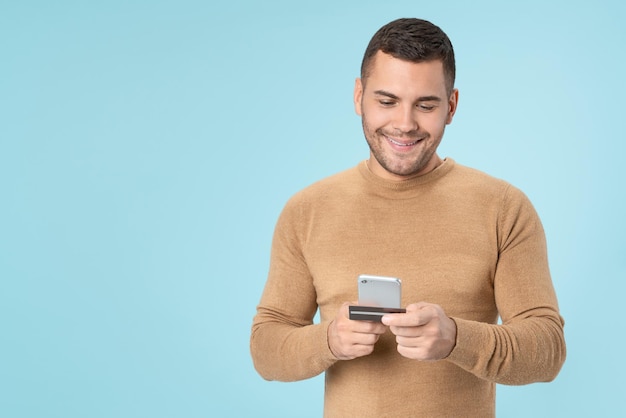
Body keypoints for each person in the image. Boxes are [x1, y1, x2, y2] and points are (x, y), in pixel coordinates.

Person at [250, 17, 566, 417]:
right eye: (387, 101)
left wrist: (455, 338)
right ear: (358, 96)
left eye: (426, 104)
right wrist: (328, 340)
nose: (404, 124)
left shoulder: (503, 207)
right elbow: (266, 348)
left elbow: (548, 349)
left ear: (450, 106)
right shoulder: (307, 210)